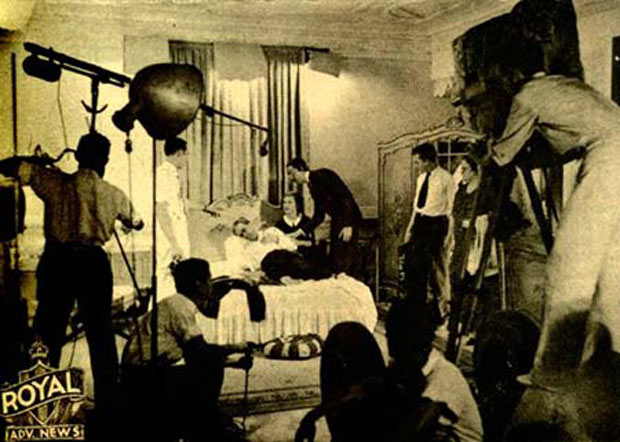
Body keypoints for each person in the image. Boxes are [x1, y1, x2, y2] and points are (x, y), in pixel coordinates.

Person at [484, 41, 620, 390]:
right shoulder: (565, 85)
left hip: (610, 160)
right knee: (610, 269)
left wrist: (483, 150)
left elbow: (502, 154)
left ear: (514, 73)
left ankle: (553, 371)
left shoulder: (527, 96)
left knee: (569, 266)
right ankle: (603, 364)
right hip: (611, 154)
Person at [0, 132, 144, 419]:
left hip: (59, 261)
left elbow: (6, 166)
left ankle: (40, 406)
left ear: (77, 156)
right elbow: (137, 222)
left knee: (48, 333)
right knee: (100, 335)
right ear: (105, 160)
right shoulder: (113, 192)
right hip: (93, 263)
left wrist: (39, 163)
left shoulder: (54, 181)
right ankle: (109, 406)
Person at [295, 300, 483, 442]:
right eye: (389, 338)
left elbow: (410, 432)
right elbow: (360, 389)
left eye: (397, 342)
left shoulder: (443, 377)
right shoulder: (406, 365)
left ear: (420, 345)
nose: (391, 350)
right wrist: (312, 417)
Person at [121, 258, 253, 442]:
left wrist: (233, 361)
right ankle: (197, 423)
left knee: (207, 365)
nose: (211, 285)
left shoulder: (174, 303)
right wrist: (236, 348)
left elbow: (194, 353)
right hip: (146, 378)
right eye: (209, 279)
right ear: (199, 285)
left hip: (139, 373)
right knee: (211, 371)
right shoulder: (180, 307)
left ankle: (195, 419)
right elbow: (200, 352)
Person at [403, 143, 455, 324]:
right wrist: (409, 230)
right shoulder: (421, 179)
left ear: (427, 161)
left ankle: (444, 311)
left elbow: (451, 211)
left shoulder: (447, 179)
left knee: (437, 270)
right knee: (416, 268)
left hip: (437, 226)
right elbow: (417, 208)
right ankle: (418, 311)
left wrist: (449, 236)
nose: (416, 166)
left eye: (418, 162)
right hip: (420, 224)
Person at [286, 158, 363, 276]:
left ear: (301, 169)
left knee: (345, 262)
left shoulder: (323, 175)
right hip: (338, 221)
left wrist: (348, 225)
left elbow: (345, 198)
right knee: (335, 261)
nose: (290, 178)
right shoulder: (312, 186)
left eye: (291, 173)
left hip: (349, 220)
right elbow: (319, 216)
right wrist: (298, 232)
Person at [156, 137, 192, 300]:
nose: (186, 158)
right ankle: (160, 313)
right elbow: (161, 210)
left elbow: (179, 203)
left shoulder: (173, 175)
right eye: (186, 154)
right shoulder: (163, 175)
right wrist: (174, 244)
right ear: (178, 153)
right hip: (169, 236)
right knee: (166, 278)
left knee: (179, 278)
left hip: (177, 233)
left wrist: (206, 208)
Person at [225, 217, 298, 273]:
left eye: (244, 230)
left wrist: (277, 239)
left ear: (250, 225)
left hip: (291, 262)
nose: (245, 235)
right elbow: (255, 268)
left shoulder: (272, 231)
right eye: (241, 235)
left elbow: (292, 247)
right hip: (274, 270)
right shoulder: (248, 250)